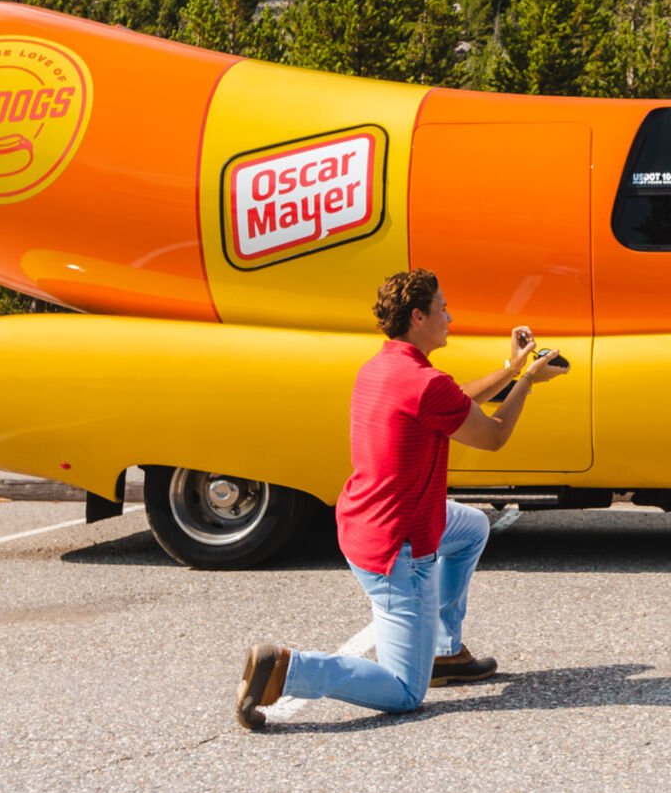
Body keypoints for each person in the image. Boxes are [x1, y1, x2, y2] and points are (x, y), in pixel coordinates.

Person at [235, 268, 567, 728]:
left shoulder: (385, 367)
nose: (450, 316)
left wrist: (512, 369)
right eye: (443, 308)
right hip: (398, 547)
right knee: (405, 691)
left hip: (368, 518)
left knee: (471, 527)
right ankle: (287, 669)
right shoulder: (425, 383)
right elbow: (491, 436)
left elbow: (455, 400)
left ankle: (443, 651)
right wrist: (528, 382)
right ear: (418, 317)